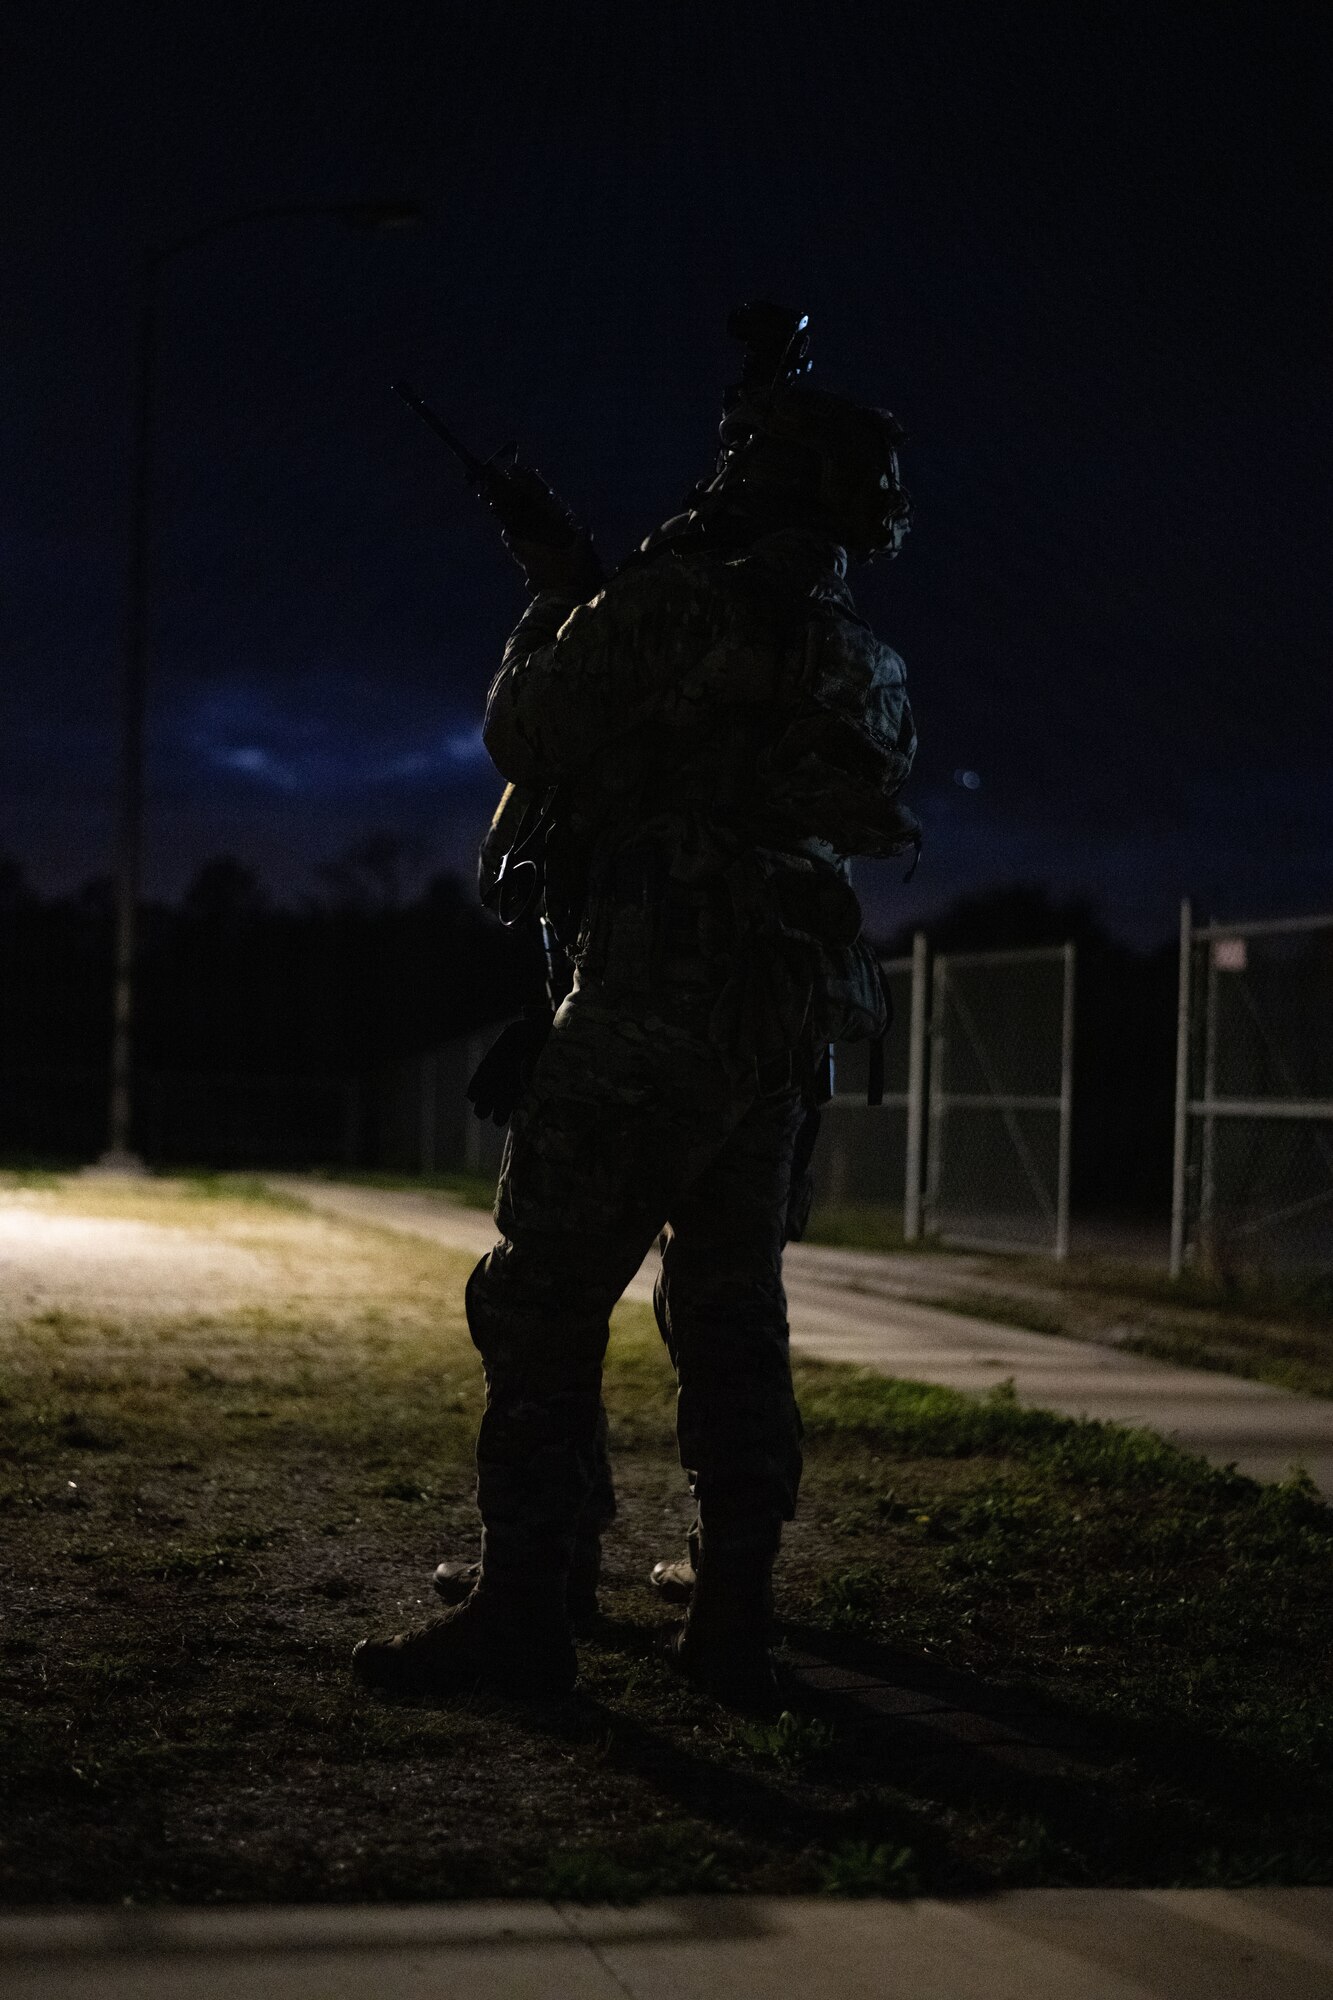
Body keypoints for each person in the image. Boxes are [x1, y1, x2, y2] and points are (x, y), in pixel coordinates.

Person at [353, 306, 918, 1710]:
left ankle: (526, 1607)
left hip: (650, 998)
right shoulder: (867, 661)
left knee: (537, 1301)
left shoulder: (673, 605)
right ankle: (732, 1619)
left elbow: (529, 733)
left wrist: (554, 590)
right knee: (731, 1307)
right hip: (776, 1021)